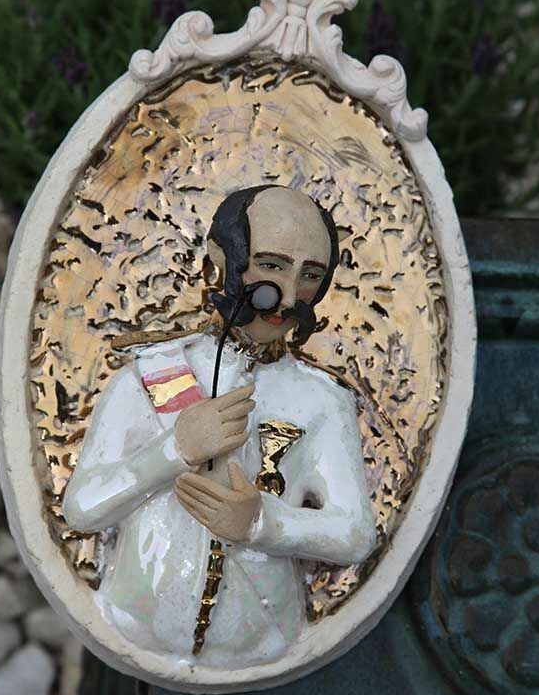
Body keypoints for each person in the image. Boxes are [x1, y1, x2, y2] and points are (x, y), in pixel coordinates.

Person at [63, 185, 376, 668]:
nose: (287, 295)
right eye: (271, 266)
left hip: (264, 646)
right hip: (131, 627)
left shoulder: (323, 401)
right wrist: (174, 450)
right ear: (221, 261)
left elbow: (354, 533)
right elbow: (82, 508)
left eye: (310, 275)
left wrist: (261, 523)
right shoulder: (148, 376)